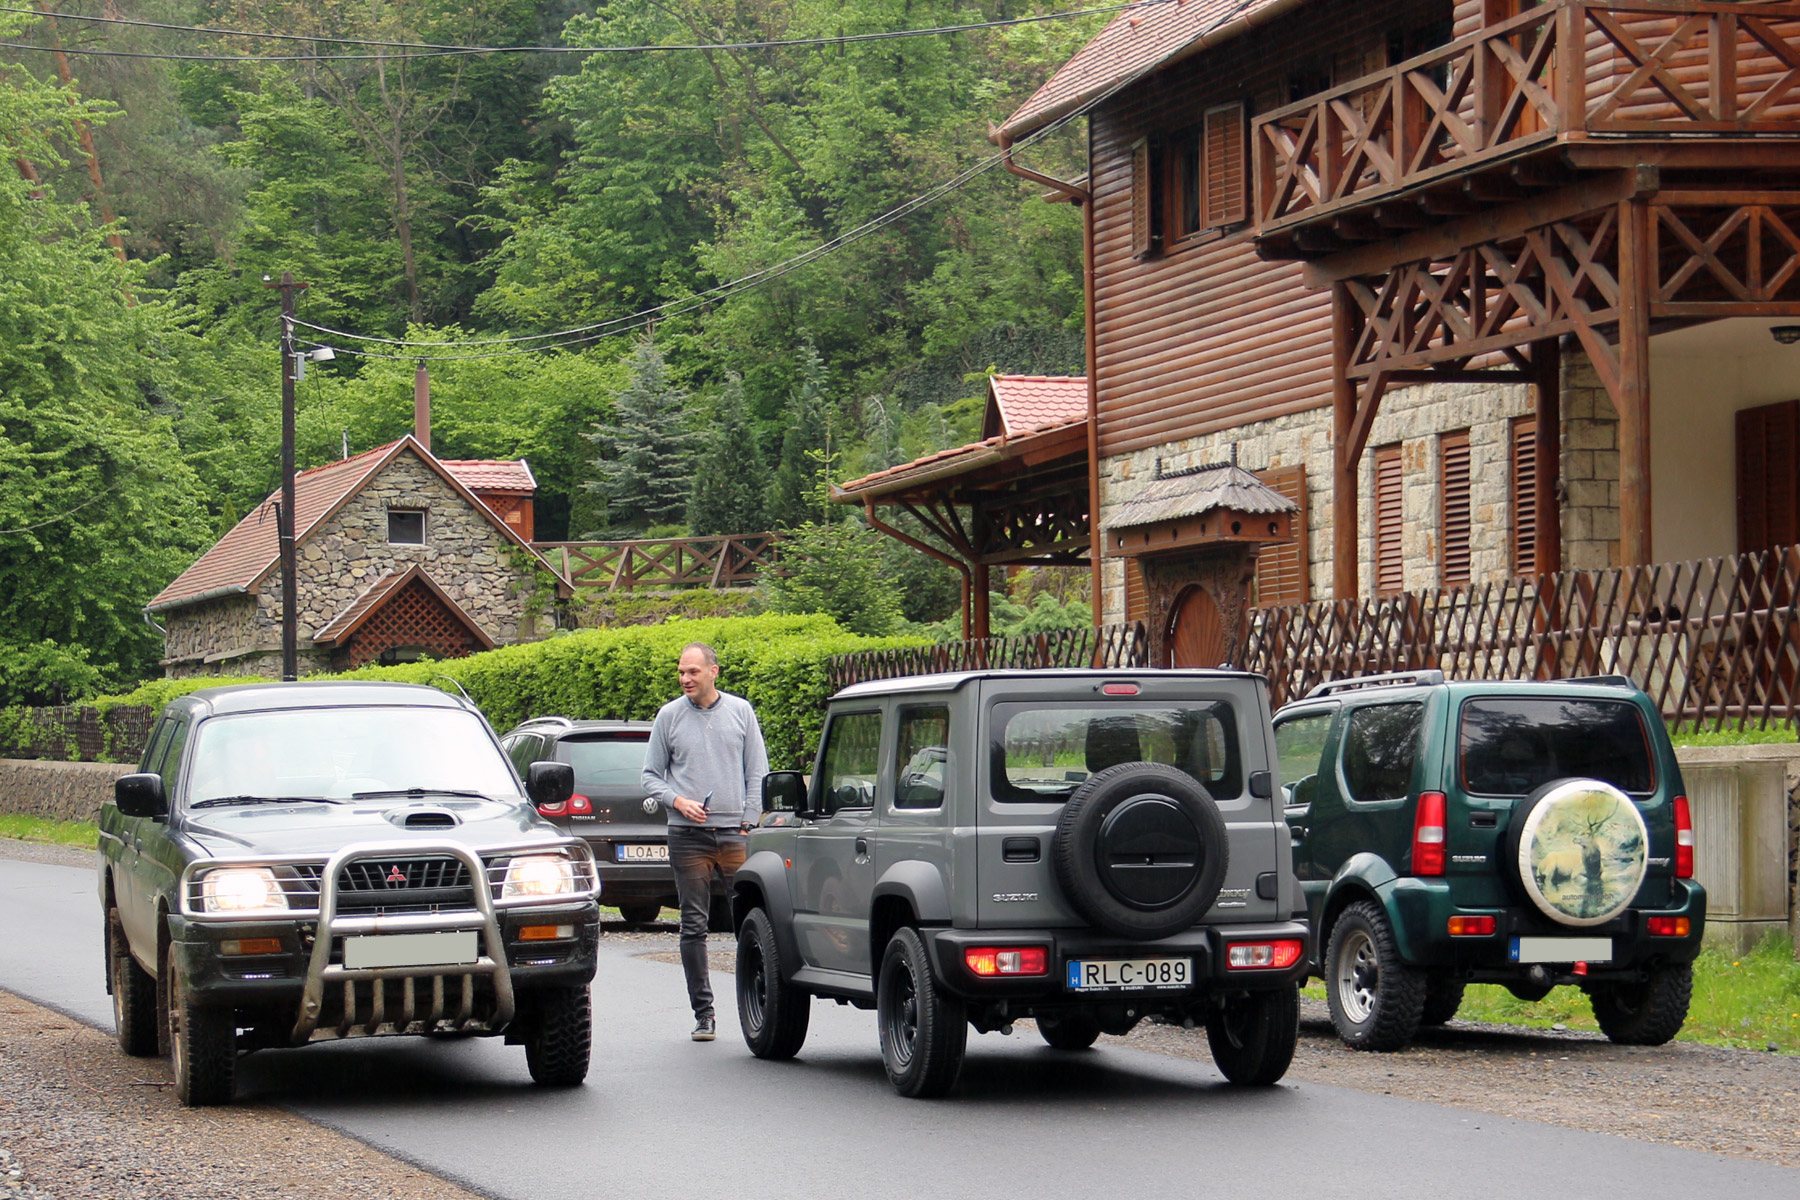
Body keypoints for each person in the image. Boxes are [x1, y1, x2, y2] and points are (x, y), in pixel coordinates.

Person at [640, 641, 770, 1041]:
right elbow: (649, 777)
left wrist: (749, 822)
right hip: (687, 835)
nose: (685, 679)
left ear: (714, 671)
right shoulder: (669, 717)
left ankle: (762, 1004)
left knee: (752, 922)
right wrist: (677, 800)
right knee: (693, 925)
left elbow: (757, 773)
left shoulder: (741, 711)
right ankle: (704, 1014)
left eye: (693, 672)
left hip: (735, 834)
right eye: (681, 672)